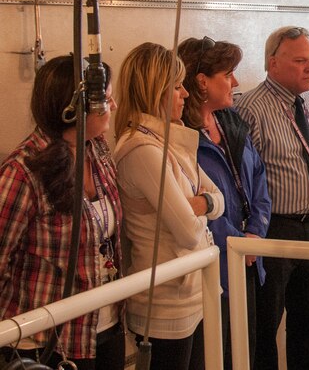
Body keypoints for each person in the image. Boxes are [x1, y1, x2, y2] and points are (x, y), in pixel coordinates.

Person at [0, 55, 125, 369]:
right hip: (47, 342)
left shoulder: (97, 150)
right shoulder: (24, 170)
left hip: (105, 324)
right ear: (74, 108)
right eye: (107, 99)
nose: (114, 105)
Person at [113, 42, 225, 370]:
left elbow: (220, 199)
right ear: (156, 91)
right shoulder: (141, 149)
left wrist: (200, 203)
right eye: (177, 87)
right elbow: (190, 233)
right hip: (165, 302)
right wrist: (203, 207)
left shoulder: (169, 139)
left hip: (193, 291)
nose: (186, 95)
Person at [235, 26, 309, 370]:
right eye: (300, 60)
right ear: (273, 63)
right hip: (274, 229)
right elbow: (242, 180)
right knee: (264, 325)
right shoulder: (250, 109)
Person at [179, 36, 272, 370]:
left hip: (246, 259)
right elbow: (193, 203)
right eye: (228, 74)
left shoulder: (232, 123)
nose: (235, 82)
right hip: (215, 268)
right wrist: (235, 242)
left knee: (245, 354)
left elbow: (259, 177)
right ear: (202, 81)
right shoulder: (182, 136)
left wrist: (257, 232)